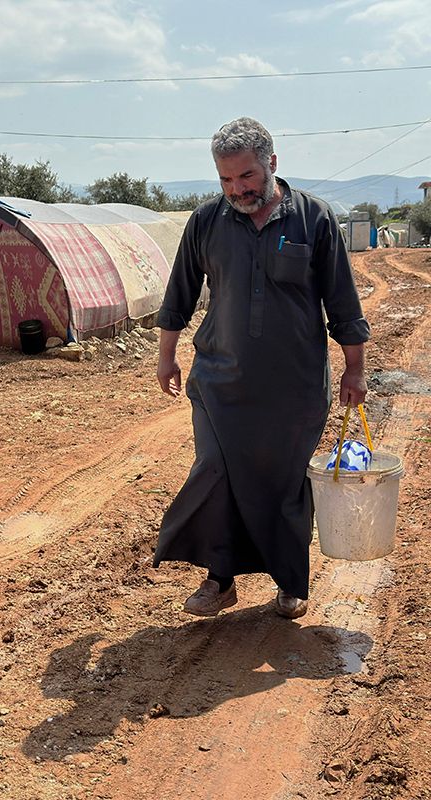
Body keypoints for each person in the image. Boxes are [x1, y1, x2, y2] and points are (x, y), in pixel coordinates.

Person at [154, 117, 369, 619]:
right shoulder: (206, 222)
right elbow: (179, 293)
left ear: (272, 163)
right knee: (216, 471)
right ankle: (220, 580)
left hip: (293, 386)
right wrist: (166, 354)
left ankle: (290, 583)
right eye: (226, 180)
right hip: (219, 382)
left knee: (283, 481)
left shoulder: (314, 219)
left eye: (246, 177)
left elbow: (341, 300)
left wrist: (354, 368)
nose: (237, 190)